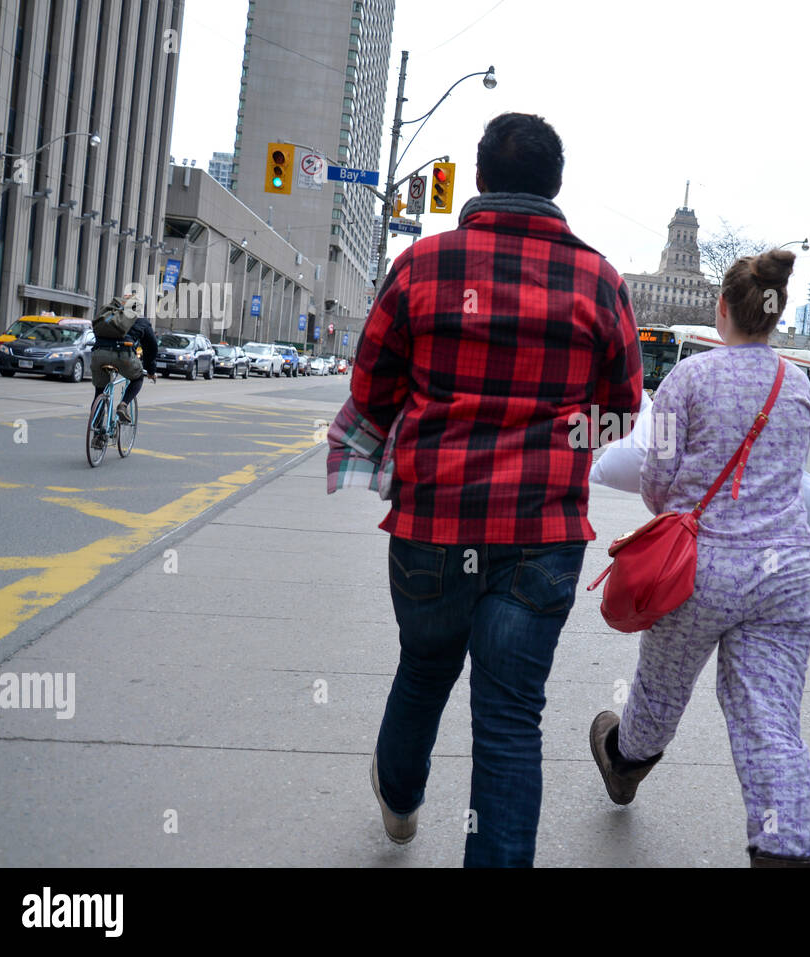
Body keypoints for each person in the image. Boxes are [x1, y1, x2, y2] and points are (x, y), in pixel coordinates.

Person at [335, 113, 642, 867]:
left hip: (432, 526)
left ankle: (400, 802)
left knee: (424, 665)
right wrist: (564, 444)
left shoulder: (420, 266)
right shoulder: (600, 279)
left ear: (477, 180)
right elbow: (622, 409)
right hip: (541, 536)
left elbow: (370, 392)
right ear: (555, 185)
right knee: (509, 718)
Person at [588, 249, 810, 867]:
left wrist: (676, 507)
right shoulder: (798, 384)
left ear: (722, 309)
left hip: (703, 569)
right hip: (785, 573)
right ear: (775, 315)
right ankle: (784, 849)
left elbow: (657, 478)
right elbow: (791, 474)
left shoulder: (688, 378)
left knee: (662, 687)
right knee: (770, 718)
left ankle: (626, 759)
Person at [91, 294, 157, 424]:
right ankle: (123, 405)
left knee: (99, 391)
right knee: (138, 378)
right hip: (123, 355)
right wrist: (151, 370)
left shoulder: (108, 317)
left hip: (99, 354)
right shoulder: (141, 321)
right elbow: (151, 346)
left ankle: (97, 434)